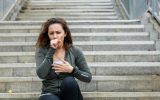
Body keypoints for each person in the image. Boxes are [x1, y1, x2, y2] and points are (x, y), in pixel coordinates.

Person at [35, 18, 92, 100]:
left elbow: (88, 77)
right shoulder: (42, 50)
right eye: (51, 33)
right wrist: (51, 50)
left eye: (58, 32)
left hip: (70, 94)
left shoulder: (75, 51)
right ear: (48, 35)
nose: (55, 36)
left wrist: (72, 70)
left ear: (65, 33)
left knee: (69, 81)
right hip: (49, 93)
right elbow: (41, 74)